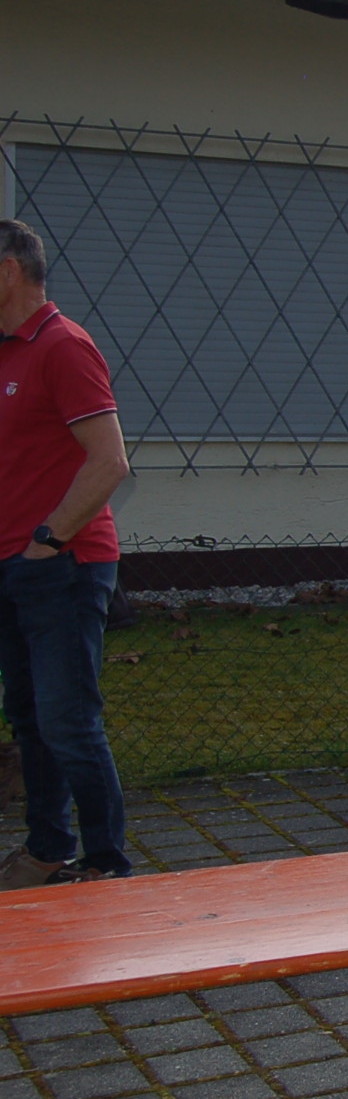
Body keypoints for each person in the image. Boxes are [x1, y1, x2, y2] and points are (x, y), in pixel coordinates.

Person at [0, 219, 135, 889]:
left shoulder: (62, 346)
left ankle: (106, 864)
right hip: (16, 566)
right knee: (30, 719)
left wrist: (47, 541)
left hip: (63, 565)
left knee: (68, 721)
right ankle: (48, 850)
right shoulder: (6, 355)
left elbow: (109, 462)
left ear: (8, 271)